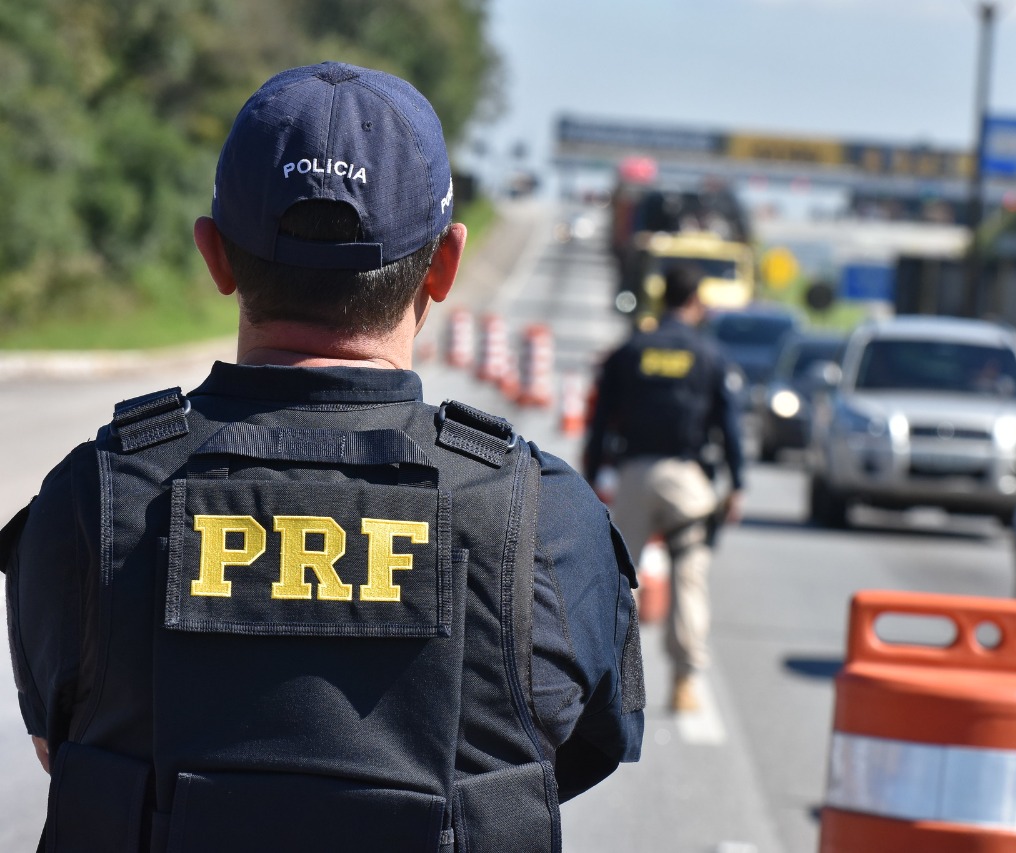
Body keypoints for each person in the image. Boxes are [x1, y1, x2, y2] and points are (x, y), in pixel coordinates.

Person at [1, 61, 643, 852]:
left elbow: (58, 744)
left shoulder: (87, 498)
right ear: (444, 264)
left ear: (215, 255)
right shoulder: (546, 519)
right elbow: (570, 752)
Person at [583, 263, 745, 714]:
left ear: (663, 299)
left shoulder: (631, 350)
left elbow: (600, 420)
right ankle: (684, 683)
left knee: (619, 583)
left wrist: (595, 472)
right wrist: (739, 485)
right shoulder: (709, 355)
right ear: (696, 301)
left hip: (635, 476)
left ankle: (606, 683)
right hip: (686, 483)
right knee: (689, 578)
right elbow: (728, 425)